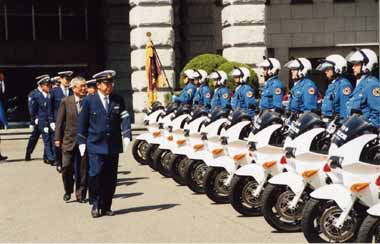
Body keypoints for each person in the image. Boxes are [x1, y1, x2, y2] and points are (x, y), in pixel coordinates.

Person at [77, 70, 132, 218]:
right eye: (106, 84)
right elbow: (82, 122)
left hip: (113, 144)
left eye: (111, 83)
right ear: (99, 85)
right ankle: (95, 203)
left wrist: (126, 134)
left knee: (110, 177)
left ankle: (106, 206)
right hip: (95, 144)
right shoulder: (89, 100)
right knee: (95, 174)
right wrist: (81, 141)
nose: (110, 86)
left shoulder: (117, 99)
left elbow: (125, 116)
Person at [55, 77, 88, 203]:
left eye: (85, 86)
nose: (84, 88)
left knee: (82, 170)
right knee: (66, 167)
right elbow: (59, 121)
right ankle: (68, 190)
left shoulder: (89, 101)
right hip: (68, 140)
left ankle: (80, 195)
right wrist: (57, 138)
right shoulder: (66, 101)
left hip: (84, 141)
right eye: (82, 86)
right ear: (74, 88)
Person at [346, 48, 380, 127]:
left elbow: (377, 114)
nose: (353, 67)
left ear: (366, 65)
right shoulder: (361, 82)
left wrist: (368, 129)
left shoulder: (372, 85)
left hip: (364, 133)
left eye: (356, 64)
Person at [50, 71, 73, 171]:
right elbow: (50, 108)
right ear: (60, 79)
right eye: (66, 79)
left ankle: (68, 163)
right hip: (58, 121)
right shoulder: (54, 92)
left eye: (69, 79)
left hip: (70, 121)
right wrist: (51, 121)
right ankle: (59, 162)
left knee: (68, 143)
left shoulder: (72, 91)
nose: (67, 81)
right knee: (58, 143)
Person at [317, 54, 353, 120]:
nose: (325, 72)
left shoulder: (344, 85)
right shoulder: (332, 84)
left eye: (328, 69)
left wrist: (341, 125)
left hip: (335, 123)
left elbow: (345, 110)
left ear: (337, 69)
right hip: (327, 121)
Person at [31, 76, 55, 165]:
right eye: (47, 85)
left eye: (50, 85)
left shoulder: (51, 95)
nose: (49, 87)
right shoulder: (37, 96)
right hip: (42, 121)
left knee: (52, 139)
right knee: (47, 139)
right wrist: (33, 120)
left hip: (50, 120)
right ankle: (51, 158)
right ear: (41, 86)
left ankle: (47, 156)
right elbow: (33, 109)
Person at [25, 74, 49, 162]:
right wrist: (33, 120)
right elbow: (31, 108)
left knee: (47, 138)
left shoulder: (48, 92)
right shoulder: (33, 94)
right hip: (37, 120)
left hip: (45, 120)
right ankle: (28, 152)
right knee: (34, 138)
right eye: (46, 83)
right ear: (40, 84)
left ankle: (46, 156)